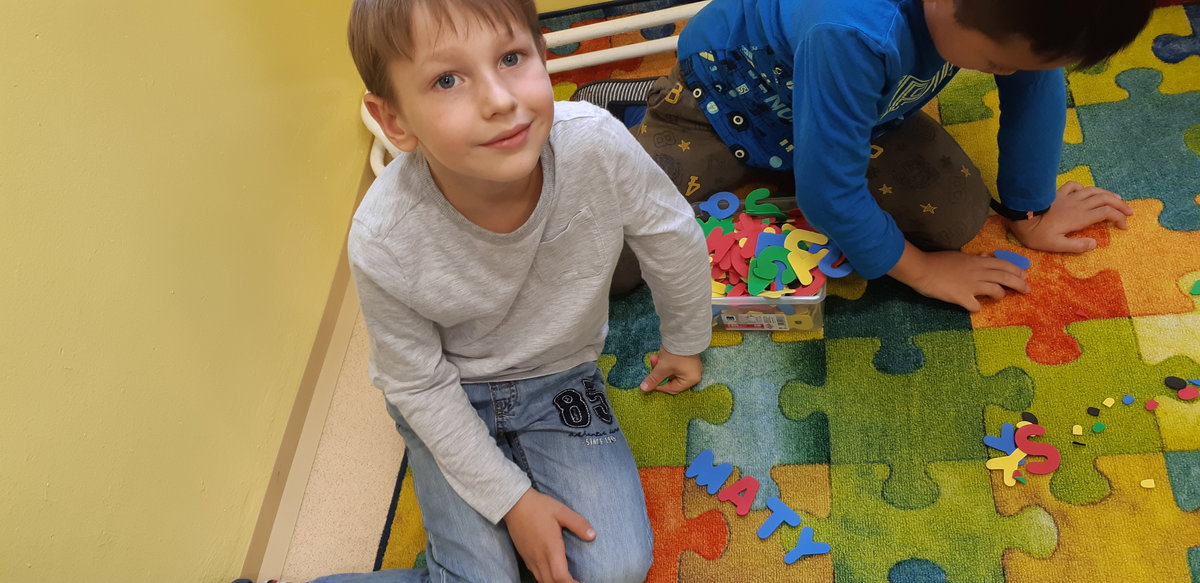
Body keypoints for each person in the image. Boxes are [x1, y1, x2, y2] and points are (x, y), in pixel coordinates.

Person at [310, 1, 713, 582]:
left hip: (561, 376)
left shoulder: (595, 144)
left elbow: (672, 238)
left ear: (543, 57)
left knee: (616, 569)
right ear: (394, 120)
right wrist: (515, 502)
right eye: (447, 80)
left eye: (510, 58)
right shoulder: (383, 237)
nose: (499, 99)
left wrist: (684, 341)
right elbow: (416, 383)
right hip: (451, 392)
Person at [635, 0, 1154, 311]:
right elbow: (828, 195)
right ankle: (633, 97)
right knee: (619, 253)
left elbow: (1035, 87)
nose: (1010, 73)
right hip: (721, 100)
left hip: (867, 110)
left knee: (957, 221)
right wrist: (923, 272)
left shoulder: (1019, 20)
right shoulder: (854, 29)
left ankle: (821, 147)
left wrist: (1029, 210)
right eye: (998, 63)